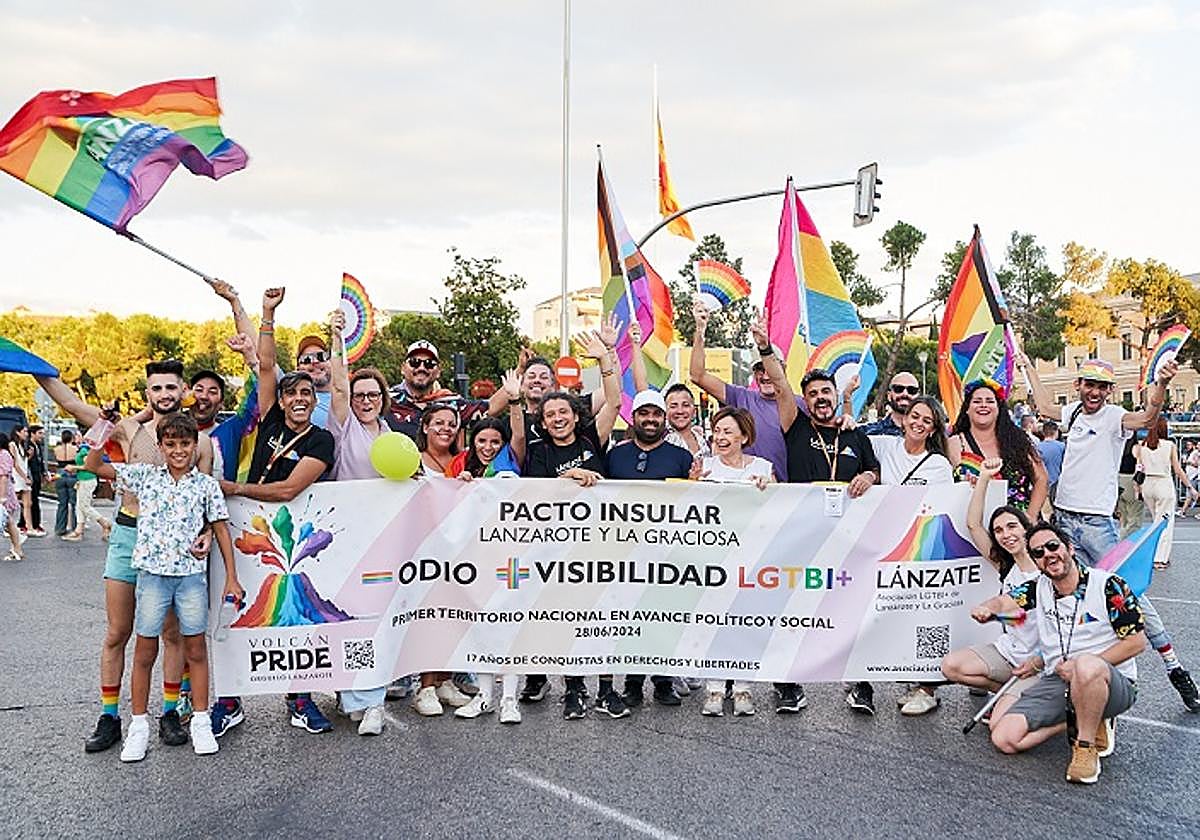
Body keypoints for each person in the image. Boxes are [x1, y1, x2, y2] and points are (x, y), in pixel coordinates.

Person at [38, 360, 213, 754]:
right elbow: (70, 404)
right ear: (147, 393)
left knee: (170, 634)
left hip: (173, 548)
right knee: (118, 631)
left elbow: (205, 501)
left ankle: (169, 712)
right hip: (127, 535)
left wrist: (204, 535)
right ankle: (109, 716)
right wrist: (36, 369)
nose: (165, 395)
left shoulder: (198, 442)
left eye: (172, 387)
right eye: (157, 389)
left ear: (183, 390)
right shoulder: (129, 429)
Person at [1022, 354, 1200, 712]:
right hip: (1063, 519)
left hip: (1095, 525)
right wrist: (1026, 364)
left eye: (1102, 387)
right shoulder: (1072, 412)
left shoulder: (1115, 418)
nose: (1095, 392)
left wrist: (1162, 383)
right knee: (1054, 595)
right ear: (1079, 386)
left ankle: (1175, 668)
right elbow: (1043, 404)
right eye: (1089, 384)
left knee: (1129, 595)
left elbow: (1148, 417)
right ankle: (1056, 672)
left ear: (1109, 391)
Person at [83, 412, 243, 761]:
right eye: (170, 444)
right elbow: (95, 465)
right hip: (152, 578)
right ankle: (138, 726)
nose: (178, 451)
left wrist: (231, 577)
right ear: (160, 447)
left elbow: (219, 529)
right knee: (144, 650)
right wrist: (103, 428)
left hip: (189, 578)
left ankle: (200, 720)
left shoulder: (204, 484)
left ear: (194, 445)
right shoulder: (144, 476)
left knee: (195, 649)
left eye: (185, 443)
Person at [216, 287, 339, 735]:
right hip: (246, 531)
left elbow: (288, 489)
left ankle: (300, 700)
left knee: (293, 618)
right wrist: (267, 312)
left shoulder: (320, 439)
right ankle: (228, 702)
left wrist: (233, 487)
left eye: (307, 392)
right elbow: (265, 365)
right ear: (281, 401)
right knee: (235, 613)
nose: (299, 399)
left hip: (292, 539)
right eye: (292, 393)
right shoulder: (268, 418)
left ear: (313, 397)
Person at [756, 312, 879, 715]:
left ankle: (859, 684)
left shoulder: (856, 434)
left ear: (834, 393)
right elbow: (778, 381)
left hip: (848, 539)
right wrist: (764, 345)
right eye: (814, 394)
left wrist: (867, 476)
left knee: (850, 609)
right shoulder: (795, 424)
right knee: (791, 610)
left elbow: (873, 470)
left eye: (827, 392)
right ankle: (787, 685)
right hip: (801, 536)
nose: (821, 398)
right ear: (806, 401)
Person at [983, 522, 1145, 785]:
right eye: (1038, 553)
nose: (1047, 554)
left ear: (1069, 548)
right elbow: (1007, 602)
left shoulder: (1109, 586)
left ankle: (1085, 746)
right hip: (1060, 680)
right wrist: (987, 607)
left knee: (1086, 666)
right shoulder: (1038, 587)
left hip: (1111, 682)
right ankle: (1090, 717)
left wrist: (1084, 665)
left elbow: (1136, 643)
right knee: (1004, 738)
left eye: (1052, 546)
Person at [519, 328, 624, 717]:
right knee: (569, 619)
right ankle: (574, 688)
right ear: (543, 423)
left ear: (574, 415)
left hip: (601, 545)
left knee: (606, 616)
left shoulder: (591, 439)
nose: (558, 418)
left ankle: (608, 690)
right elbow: (535, 495)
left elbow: (614, 400)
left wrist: (603, 360)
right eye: (550, 415)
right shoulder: (540, 452)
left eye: (564, 411)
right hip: (558, 552)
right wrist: (568, 479)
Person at [605, 389, 696, 711]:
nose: (650, 419)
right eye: (644, 413)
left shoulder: (681, 458)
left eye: (656, 414)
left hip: (667, 555)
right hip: (622, 554)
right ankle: (632, 682)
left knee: (661, 617)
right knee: (630, 617)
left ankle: (663, 681)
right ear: (634, 418)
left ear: (664, 419)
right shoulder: (616, 455)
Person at [863, 394, 955, 716]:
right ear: (904, 418)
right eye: (914, 416)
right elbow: (852, 436)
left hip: (921, 546)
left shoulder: (939, 465)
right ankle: (911, 681)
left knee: (924, 615)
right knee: (898, 615)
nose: (918, 423)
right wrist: (847, 410)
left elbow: (942, 507)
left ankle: (928, 688)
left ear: (932, 429)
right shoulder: (885, 447)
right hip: (885, 546)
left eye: (926, 421)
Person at [445, 372, 526, 725]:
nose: (488, 446)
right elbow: (445, 507)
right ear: (473, 441)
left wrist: (514, 400)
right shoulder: (459, 464)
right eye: (482, 440)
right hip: (473, 556)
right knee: (478, 625)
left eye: (495, 441)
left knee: (507, 623)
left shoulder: (513, 460)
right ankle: (484, 696)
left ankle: (509, 698)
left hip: (510, 556)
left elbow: (519, 433)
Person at [940, 458, 1042, 707]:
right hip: (1010, 653)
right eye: (999, 531)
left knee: (1004, 734)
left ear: (1026, 528)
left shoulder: (1048, 565)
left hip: (1043, 661)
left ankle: (1037, 698)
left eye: (1012, 527)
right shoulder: (1006, 565)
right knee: (951, 666)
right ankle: (1013, 696)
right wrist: (984, 478)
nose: (1006, 535)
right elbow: (974, 525)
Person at [696, 407, 772, 717]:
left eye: (728, 431)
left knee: (744, 622)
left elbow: (780, 511)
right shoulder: (705, 467)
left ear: (744, 436)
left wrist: (770, 490)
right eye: (717, 430)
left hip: (750, 561)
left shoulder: (764, 468)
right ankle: (714, 688)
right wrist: (694, 484)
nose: (721, 437)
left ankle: (742, 687)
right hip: (712, 560)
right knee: (712, 622)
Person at [690, 300, 807, 482]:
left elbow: (828, 426)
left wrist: (846, 412)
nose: (765, 375)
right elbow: (697, 376)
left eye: (771, 368)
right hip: (745, 494)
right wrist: (699, 331)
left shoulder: (799, 404)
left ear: (783, 369)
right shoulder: (740, 397)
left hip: (786, 494)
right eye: (759, 370)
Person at [948, 381, 1048, 516]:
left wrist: (1031, 517)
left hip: (1019, 527)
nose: (983, 405)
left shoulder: (1017, 440)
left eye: (990, 401)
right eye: (977, 401)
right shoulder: (954, 444)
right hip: (972, 525)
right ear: (967, 409)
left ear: (999, 408)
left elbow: (1041, 478)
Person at [1134, 417, 1190, 569]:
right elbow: (1177, 470)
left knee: (1156, 522)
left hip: (1148, 485)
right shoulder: (1169, 445)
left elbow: (1138, 469)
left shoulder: (1142, 445)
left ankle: (1155, 554)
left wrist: (1137, 489)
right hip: (1163, 483)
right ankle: (1160, 558)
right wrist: (1190, 487)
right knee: (1166, 523)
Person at [67, 440, 112, 541]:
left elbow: (89, 466)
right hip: (83, 480)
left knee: (84, 506)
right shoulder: (84, 448)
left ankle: (105, 523)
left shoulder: (84, 450)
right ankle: (78, 531)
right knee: (79, 507)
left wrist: (73, 467)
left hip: (88, 480)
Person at [860, 372, 920, 437]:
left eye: (912, 390)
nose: (905, 394)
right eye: (898, 389)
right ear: (889, 396)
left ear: (918, 396)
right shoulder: (869, 433)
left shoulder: (928, 435)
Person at [663, 383, 711, 456]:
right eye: (673, 406)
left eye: (685, 405)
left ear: (694, 411)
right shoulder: (661, 441)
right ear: (665, 412)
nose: (680, 411)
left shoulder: (703, 441)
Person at [0, 431, 24, 561]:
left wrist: (2, 498)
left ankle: (17, 548)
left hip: (3, 492)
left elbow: (3, 477)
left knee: (8, 522)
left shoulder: (4, 455)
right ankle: (16, 548)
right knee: (8, 522)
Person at [52, 429, 78, 537]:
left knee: (62, 503)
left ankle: (60, 528)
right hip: (72, 474)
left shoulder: (56, 449)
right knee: (74, 503)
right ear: (72, 437)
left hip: (60, 474)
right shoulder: (75, 449)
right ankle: (75, 528)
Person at [8, 425, 31, 536]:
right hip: (17, 477)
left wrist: (30, 455)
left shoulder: (22, 445)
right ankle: (6, 526)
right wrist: (24, 477)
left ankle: (29, 527)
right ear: (17, 432)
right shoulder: (12, 445)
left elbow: (23, 462)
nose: (26, 434)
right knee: (11, 503)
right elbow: (15, 464)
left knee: (28, 503)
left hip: (23, 476)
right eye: (24, 431)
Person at [24, 425, 46, 536]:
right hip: (30, 476)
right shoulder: (28, 445)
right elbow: (23, 462)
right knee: (31, 501)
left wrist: (44, 473)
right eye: (40, 433)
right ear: (33, 433)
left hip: (36, 476)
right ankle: (32, 524)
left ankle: (33, 523)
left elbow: (40, 461)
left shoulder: (38, 445)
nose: (42, 436)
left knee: (34, 500)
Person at [1037, 420, 1065, 504]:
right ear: (1056, 432)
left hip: (1040, 485)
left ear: (1043, 432)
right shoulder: (1062, 447)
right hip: (1057, 484)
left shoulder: (1036, 447)